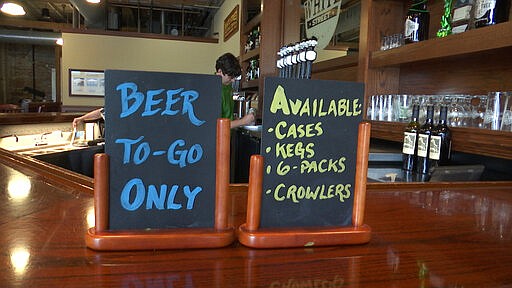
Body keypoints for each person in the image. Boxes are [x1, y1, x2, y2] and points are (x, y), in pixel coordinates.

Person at [73, 53, 255, 129]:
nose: (231, 80)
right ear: (220, 71)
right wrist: (244, 121)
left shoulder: (225, 87)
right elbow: (212, 126)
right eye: (230, 76)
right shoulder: (206, 90)